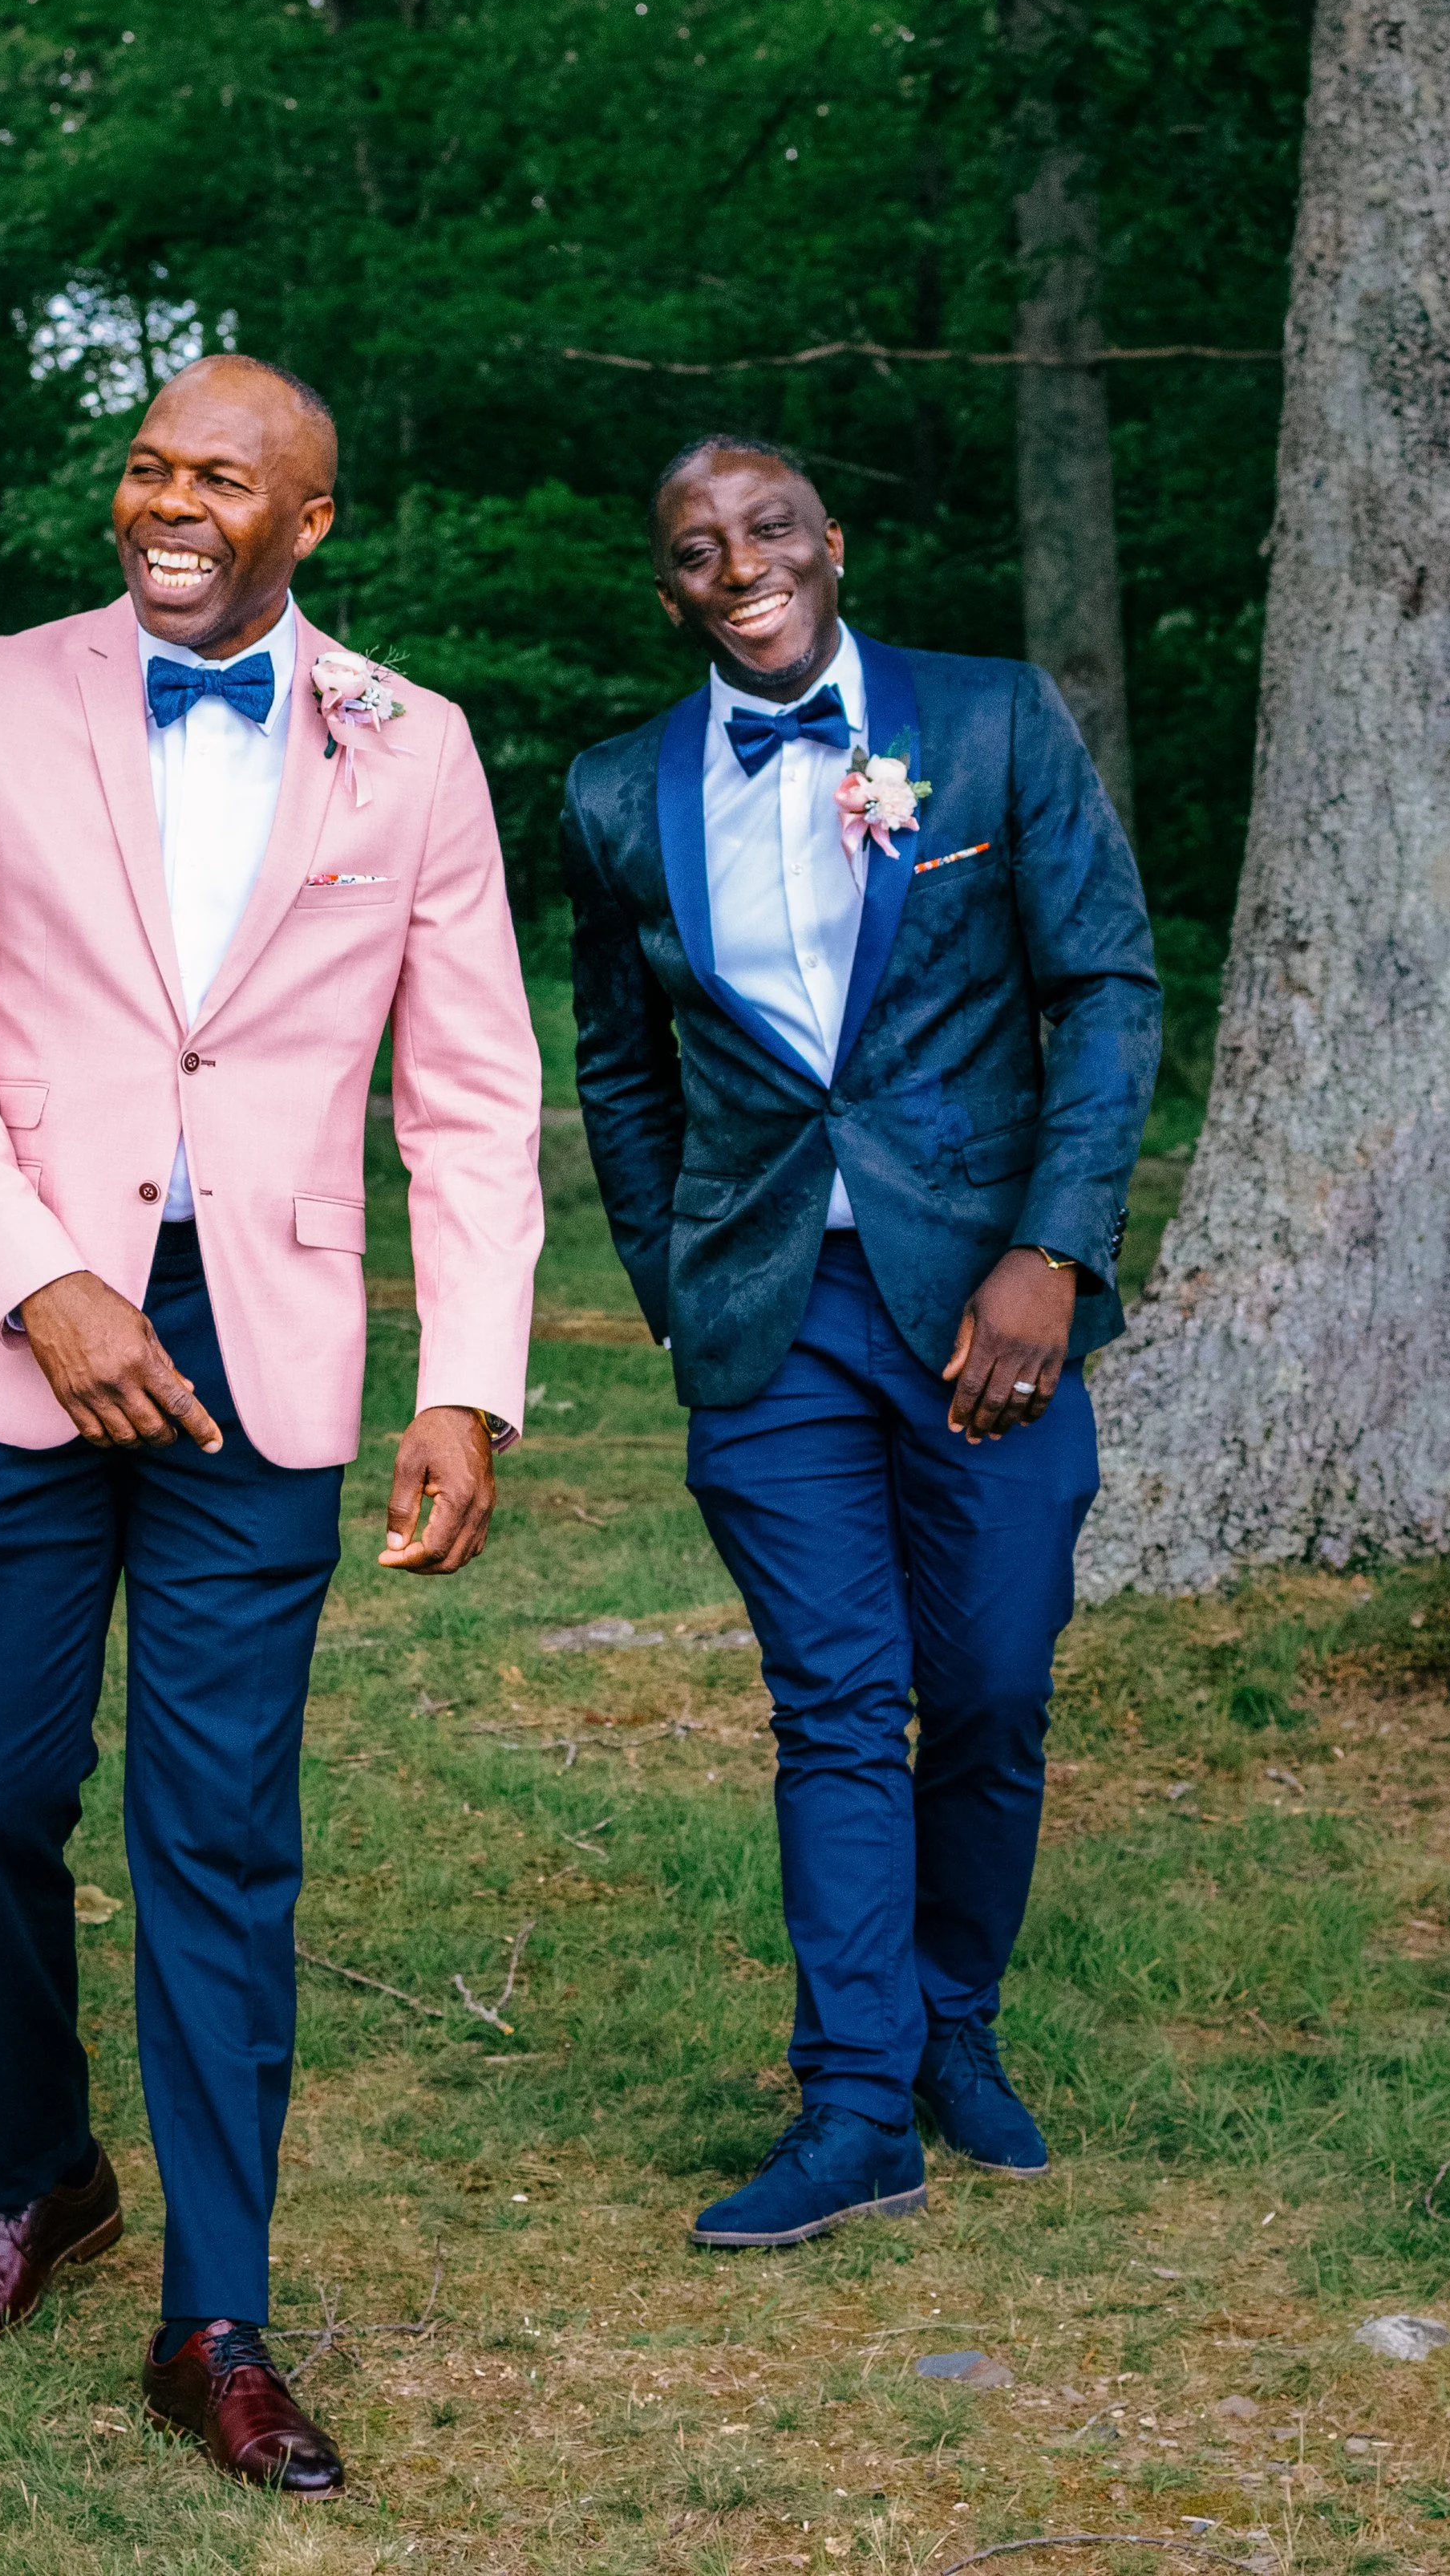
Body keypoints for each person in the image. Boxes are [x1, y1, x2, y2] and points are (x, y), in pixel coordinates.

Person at [0, 354, 542, 2493]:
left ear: (306, 518)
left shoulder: (408, 744)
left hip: (267, 1348)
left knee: (220, 1836)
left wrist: (464, 1379)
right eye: (148, 463)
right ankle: (42, 2169)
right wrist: (40, 1280)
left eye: (218, 477)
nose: (169, 500)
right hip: (12, 1326)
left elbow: (469, 1085)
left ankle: (212, 2309)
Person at [561, 436, 1158, 2250]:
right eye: (690, 549)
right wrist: (684, 1292)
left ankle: (949, 2028)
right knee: (830, 1702)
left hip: (981, 1299)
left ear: (829, 540)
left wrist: (1047, 1252)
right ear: (664, 587)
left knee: (984, 1685)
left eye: (761, 530)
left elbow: (1103, 986)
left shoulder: (984, 723)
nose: (732, 564)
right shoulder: (612, 791)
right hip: (768, 1319)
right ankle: (850, 2106)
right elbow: (617, 1062)